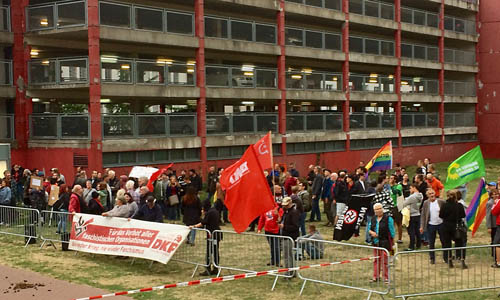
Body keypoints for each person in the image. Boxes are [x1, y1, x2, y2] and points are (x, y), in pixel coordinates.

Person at [190, 200, 221, 276]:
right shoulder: (215, 211)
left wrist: (194, 226)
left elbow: (203, 223)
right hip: (216, 234)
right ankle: (215, 268)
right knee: (215, 252)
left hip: (212, 235)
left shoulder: (210, 213)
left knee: (209, 252)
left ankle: (208, 269)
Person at [439, 190, 467, 269]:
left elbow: (441, 215)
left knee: (447, 244)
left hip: (446, 226)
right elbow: (463, 215)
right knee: (460, 243)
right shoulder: (459, 205)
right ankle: (461, 259)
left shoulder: (444, 205)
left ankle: (450, 260)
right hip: (456, 226)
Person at [369, 203, 395, 283]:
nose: (378, 210)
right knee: (376, 260)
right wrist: (372, 233)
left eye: (379, 208)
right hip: (376, 243)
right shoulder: (373, 219)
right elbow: (369, 229)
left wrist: (392, 243)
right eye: (376, 209)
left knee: (385, 260)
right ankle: (375, 276)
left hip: (385, 242)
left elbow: (392, 232)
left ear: (382, 209)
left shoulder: (388, 219)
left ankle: (386, 277)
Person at [420, 189, 445, 264]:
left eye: (433, 193)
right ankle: (432, 258)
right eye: (430, 194)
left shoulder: (441, 201)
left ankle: (445, 257)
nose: (432, 195)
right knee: (431, 242)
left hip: (441, 224)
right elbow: (423, 215)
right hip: (431, 225)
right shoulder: (426, 203)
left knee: (443, 241)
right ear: (427, 196)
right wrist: (422, 226)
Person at [280, 196, 300, 277]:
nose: (284, 207)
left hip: (290, 237)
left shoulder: (294, 213)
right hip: (285, 236)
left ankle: (290, 271)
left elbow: (295, 226)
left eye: (286, 205)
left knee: (288, 256)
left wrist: (284, 227)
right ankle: (290, 271)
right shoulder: (286, 212)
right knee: (287, 255)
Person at [403, 184, 423, 251]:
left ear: (414, 188)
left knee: (411, 231)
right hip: (417, 214)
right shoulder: (421, 196)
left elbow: (404, 203)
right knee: (417, 231)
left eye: (411, 188)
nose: (410, 190)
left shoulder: (412, 197)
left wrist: (406, 199)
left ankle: (411, 246)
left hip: (411, 215)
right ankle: (418, 244)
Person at [389, 174, 403, 244]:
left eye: (391, 178)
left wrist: (391, 186)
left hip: (397, 206)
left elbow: (395, 192)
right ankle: (392, 237)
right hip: (390, 206)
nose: (390, 180)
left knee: (398, 223)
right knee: (391, 223)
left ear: (395, 180)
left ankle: (400, 238)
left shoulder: (399, 186)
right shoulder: (389, 187)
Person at [486, 189, 499, 261]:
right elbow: (488, 215)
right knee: (494, 240)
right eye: (494, 194)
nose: (496, 195)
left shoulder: (498, 202)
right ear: (491, 195)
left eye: (497, 194)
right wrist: (489, 226)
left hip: (498, 225)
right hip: (493, 225)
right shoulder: (489, 203)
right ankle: (494, 255)